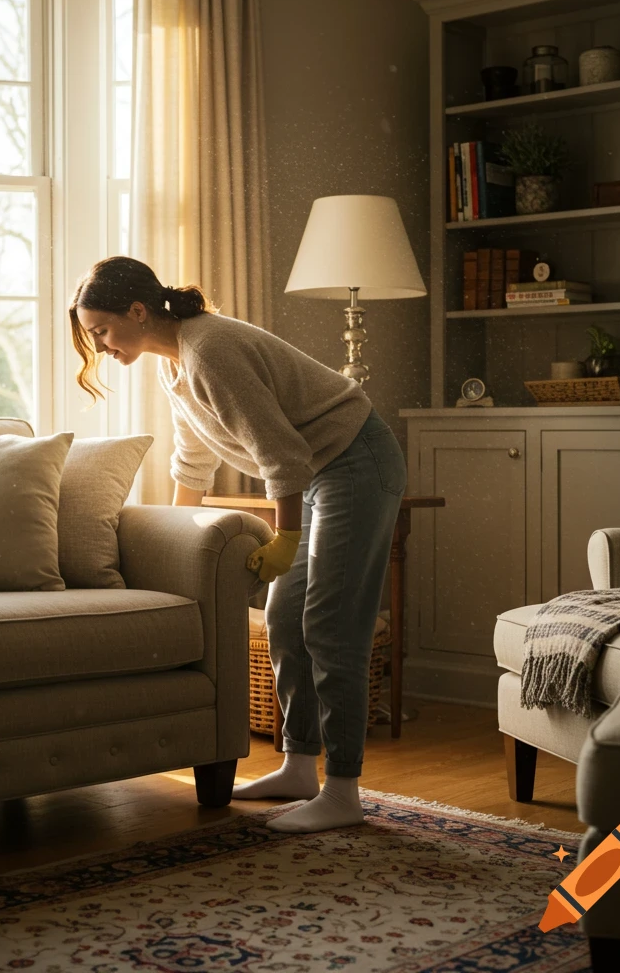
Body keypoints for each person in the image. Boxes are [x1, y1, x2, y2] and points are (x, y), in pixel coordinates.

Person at [68, 256, 407, 833]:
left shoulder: (209, 351)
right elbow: (193, 456)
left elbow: (280, 453)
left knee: (331, 623)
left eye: (100, 330)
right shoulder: (171, 364)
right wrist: (177, 538)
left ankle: (343, 790)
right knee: (283, 615)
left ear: (137, 311)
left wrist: (287, 537)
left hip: (355, 460)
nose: (98, 346)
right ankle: (300, 766)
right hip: (319, 472)